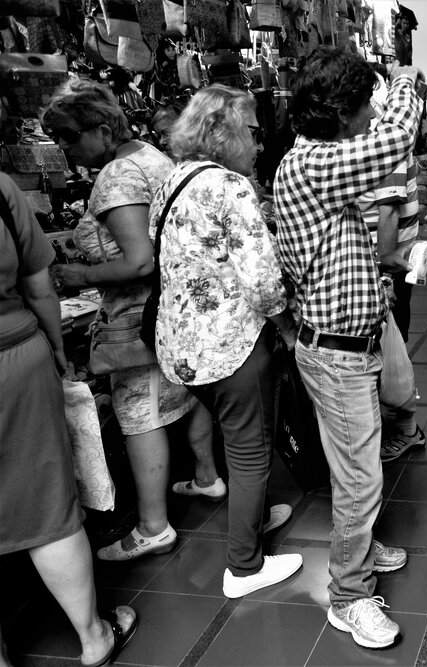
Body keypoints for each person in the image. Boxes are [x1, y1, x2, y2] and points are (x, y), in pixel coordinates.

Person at [273, 48, 420, 650]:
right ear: (340, 108)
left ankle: (353, 545)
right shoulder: (311, 162)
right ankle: (349, 596)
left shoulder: (321, 160)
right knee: (360, 476)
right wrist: (408, 86)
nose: (370, 115)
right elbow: (395, 143)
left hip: (344, 343)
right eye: (364, 104)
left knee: (353, 468)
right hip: (334, 352)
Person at [43, 80, 216, 562]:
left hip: (137, 316)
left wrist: (80, 273)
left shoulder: (118, 177)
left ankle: (153, 527)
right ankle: (205, 477)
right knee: (187, 395)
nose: (66, 149)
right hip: (175, 309)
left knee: (139, 415)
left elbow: (140, 261)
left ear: (100, 129)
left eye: (70, 137)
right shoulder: (154, 157)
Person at [151, 85, 303, 598]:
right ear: (225, 131)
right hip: (229, 346)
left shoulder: (173, 180)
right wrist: (286, 326)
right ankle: (244, 566)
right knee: (250, 452)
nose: (259, 145)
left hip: (182, 347)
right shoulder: (229, 186)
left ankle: (252, 518)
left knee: (238, 441)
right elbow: (262, 280)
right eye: (253, 133)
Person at [0, 172, 138, 667]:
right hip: (12, 360)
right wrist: (57, 349)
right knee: (47, 504)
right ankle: (93, 636)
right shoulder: (0, 188)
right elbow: (39, 288)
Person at [357, 68, 426, 463]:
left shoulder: (382, 139)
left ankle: (404, 427)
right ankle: (396, 422)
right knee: (391, 342)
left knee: (391, 344)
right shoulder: (381, 132)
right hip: (388, 259)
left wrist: (385, 264)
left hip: (386, 261)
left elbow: (388, 210)